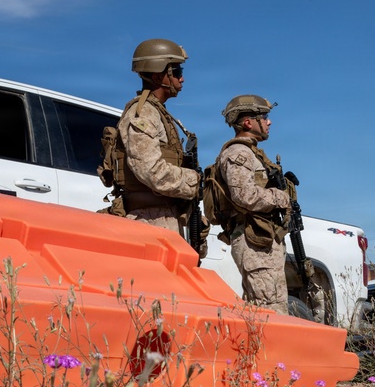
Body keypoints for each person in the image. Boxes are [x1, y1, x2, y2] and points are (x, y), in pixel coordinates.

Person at [100, 38, 200, 239]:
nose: (182, 79)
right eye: (177, 73)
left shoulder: (158, 113)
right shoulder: (143, 113)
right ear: (157, 76)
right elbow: (149, 170)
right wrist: (193, 181)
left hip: (162, 215)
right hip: (149, 218)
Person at [213, 95, 292, 315]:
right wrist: (280, 198)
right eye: (264, 117)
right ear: (248, 122)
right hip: (253, 239)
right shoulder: (238, 153)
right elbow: (244, 196)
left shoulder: (252, 153)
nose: (269, 122)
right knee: (269, 312)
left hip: (260, 238)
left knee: (265, 311)